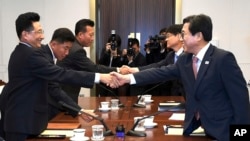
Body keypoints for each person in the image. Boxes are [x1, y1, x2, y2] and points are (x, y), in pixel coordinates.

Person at [112, 14, 250, 141]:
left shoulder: (222, 59)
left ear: (198, 36)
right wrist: (128, 78)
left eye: (183, 34)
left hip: (223, 129)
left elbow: (240, 99)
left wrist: (241, 134)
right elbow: (160, 72)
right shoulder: (185, 59)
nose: (181, 38)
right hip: (197, 128)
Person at [0, 12, 117, 141]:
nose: (43, 36)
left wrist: (79, 110)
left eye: (42, 31)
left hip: (24, 121)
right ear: (25, 34)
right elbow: (61, 73)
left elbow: (52, 87)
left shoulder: (24, 52)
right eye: (38, 32)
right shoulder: (31, 55)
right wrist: (99, 77)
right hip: (22, 123)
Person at [57, 19, 126, 102]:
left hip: (65, 93)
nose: (93, 39)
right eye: (91, 35)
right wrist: (119, 70)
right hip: (63, 95)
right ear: (80, 35)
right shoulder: (77, 50)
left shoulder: (74, 46)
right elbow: (94, 68)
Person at [126, 24, 185, 97]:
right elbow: (157, 66)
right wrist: (135, 69)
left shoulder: (189, 55)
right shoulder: (171, 55)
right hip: (174, 98)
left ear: (179, 36)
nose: (166, 39)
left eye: (168, 36)